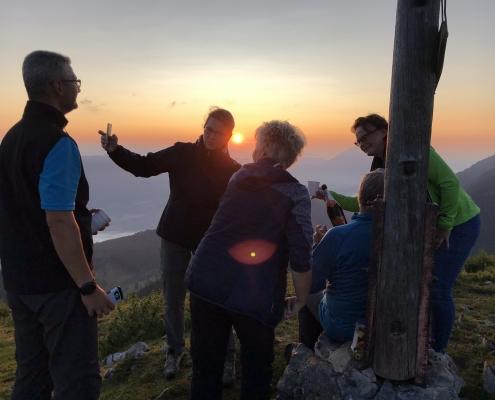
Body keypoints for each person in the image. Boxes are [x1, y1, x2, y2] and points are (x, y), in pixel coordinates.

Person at [0, 50, 114, 400]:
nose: (77, 90)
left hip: (20, 281)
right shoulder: (57, 144)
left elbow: (24, 205)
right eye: (73, 82)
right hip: (58, 288)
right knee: (77, 381)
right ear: (55, 86)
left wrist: (81, 214)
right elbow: (58, 220)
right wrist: (87, 287)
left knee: (32, 377)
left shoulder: (12, 137)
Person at [100, 107, 240, 380]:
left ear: (229, 136)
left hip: (209, 243)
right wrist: (115, 150)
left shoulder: (233, 170)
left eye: (218, 132)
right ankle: (174, 352)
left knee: (217, 300)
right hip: (174, 236)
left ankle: (226, 357)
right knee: (173, 299)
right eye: (208, 128)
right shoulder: (182, 153)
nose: (211, 135)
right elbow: (144, 166)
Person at [320, 113, 481, 353]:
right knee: (420, 283)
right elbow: (366, 202)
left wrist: (445, 224)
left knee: (438, 287)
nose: (362, 144)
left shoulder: (415, 149)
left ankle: (438, 350)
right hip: (432, 225)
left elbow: (450, 184)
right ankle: (423, 339)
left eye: (365, 137)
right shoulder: (382, 163)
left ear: (384, 131)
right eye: (358, 141)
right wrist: (330, 196)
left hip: (459, 223)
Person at [185, 120, 313, 400]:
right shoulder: (295, 193)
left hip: (205, 279)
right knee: (256, 371)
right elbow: (302, 252)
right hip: (255, 293)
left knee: (205, 369)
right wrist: (301, 299)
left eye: (258, 143)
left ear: (266, 146)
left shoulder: (239, 177)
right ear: (290, 155)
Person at [308, 170, 384, 342]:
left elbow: (311, 282)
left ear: (360, 199)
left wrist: (317, 245)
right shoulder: (400, 236)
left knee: (308, 294)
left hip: (345, 328)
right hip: (386, 327)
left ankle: (309, 348)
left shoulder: (337, 236)